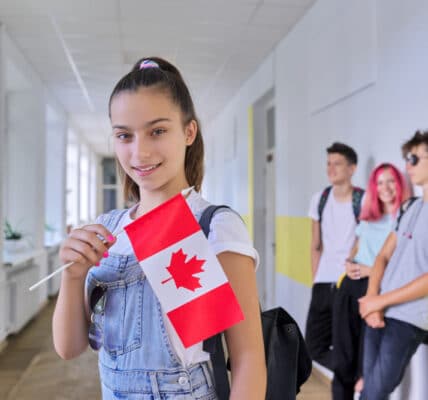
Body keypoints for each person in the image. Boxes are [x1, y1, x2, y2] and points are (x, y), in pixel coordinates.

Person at [52, 57, 267, 399]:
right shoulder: (107, 230)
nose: (140, 152)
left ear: (188, 132)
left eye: (157, 131)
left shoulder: (214, 227)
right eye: (124, 135)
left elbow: (248, 359)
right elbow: (70, 348)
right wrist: (72, 275)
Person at [358, 131, 428, 400]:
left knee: (375, 393)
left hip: (408, 317)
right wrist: (374, 298)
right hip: (379, 309)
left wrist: (379, 301)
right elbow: (383, 257)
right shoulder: (409, 207)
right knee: (369, 392)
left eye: (414, 158)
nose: (407, 165)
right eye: (406, 158)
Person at [331, 163, 410, 400]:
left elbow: (401, 265)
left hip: (376, 291)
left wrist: (370, 271)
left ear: (399, 184)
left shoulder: (405, 219)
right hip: (349, 289)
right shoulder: (369, 217)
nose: (385, 187)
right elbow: (356, 248)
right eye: (380, 182)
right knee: (342, 361)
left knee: (368, 368)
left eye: (390, 181)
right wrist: (349, 263)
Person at [306, 142, 363, 370]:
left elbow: (364, 240)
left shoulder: (363, 200)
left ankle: (352, 379)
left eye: (337, 164)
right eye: (329, 163)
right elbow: (315, 244)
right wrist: (314, 278)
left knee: (345, 343)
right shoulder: (319, 199)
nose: (331, 169)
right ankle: (354, 373)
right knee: (313, 346)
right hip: (322, 282)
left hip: (348, 282)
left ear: (352, 169)